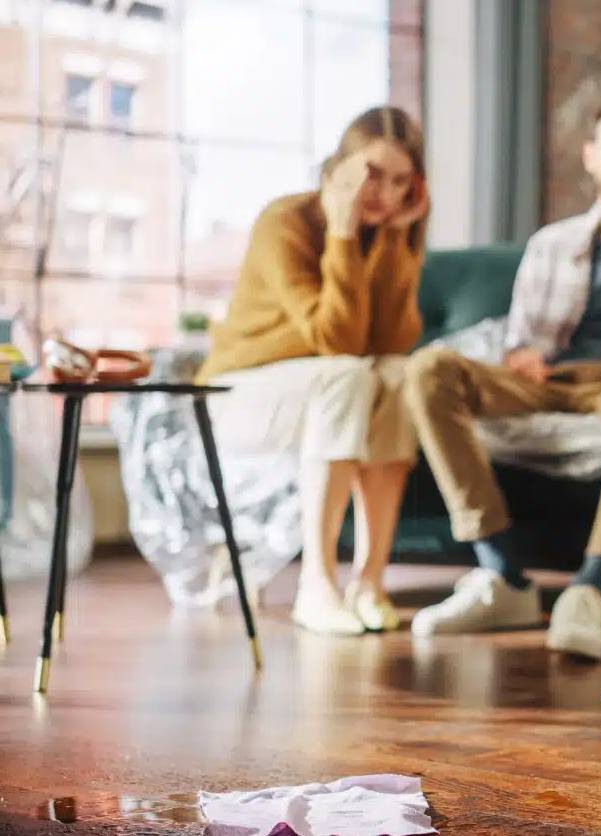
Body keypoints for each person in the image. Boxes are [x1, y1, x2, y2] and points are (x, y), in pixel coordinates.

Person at [405, 96, 601, 659]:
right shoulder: (551, 243)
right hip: (554, 380)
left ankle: (590, 588)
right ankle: (503, 574)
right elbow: (523, 338)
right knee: (429, 368)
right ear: (591, 158)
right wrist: (524, 355)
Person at [197, 106, 429, 636]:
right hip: (240, 394)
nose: (383, 193)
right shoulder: (285, 221)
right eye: (371, 174)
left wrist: (394, 240)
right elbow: (338, 341)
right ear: (337, 167)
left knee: (397, 375)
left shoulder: (389, 231)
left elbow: (392, 342)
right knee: (347, 374)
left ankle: (369, 581)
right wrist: (343, 234)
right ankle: (317, 586)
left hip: (324, 387)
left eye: (399, 181)